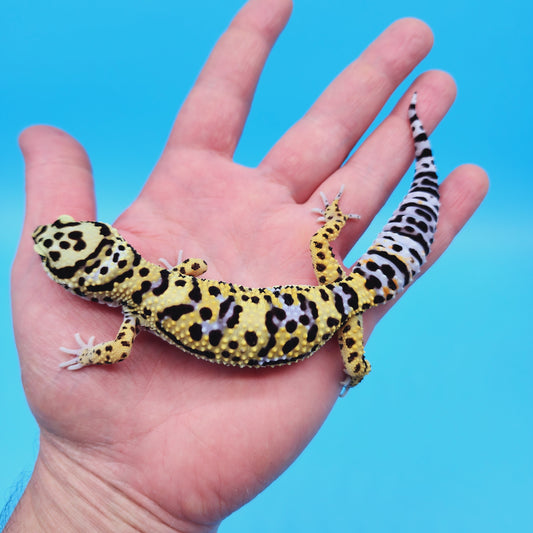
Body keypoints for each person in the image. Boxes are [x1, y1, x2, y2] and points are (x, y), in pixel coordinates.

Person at [6, 0, 488, 530]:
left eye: (61, 248)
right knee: (354, 329)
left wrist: (89, 356)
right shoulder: (157, 279)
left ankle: (418, 168)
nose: (47, 240)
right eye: (60, 249)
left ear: (92, 283)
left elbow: (117, 350)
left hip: (330, 310)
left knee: (355, 354)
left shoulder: (135, 312)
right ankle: (413, 167)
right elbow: (185, 279)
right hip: (327, 301)